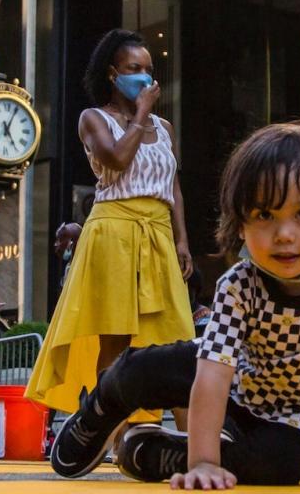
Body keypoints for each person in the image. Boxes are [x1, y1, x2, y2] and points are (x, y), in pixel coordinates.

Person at [50, 123, 300, 489]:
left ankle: (165, 454)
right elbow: (214, 373)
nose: (284, 235)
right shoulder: (240, 282)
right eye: (265, 215)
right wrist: (204, 462)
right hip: (237, 382)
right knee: (139, 368)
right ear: (240, 223)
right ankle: (104, 404)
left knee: (283, 463)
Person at [26, 29, 195, 415]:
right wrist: (141, 114)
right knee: (115, 340)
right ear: (112, 73)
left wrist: (182, 239)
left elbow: (174, 186)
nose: (145, 76)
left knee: (178, 339)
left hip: (158, 233)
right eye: (134, 68)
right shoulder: (94, 118)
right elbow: (117, 159)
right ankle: (109, 432)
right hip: (114, 230)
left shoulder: (164, 128)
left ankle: (193, 443)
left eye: (149, 69)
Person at [54, 221, 83, 287]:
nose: (56, 244)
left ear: (71, 243)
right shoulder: (69, 266)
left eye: (60, 240)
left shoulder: (78, 268)